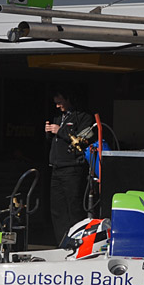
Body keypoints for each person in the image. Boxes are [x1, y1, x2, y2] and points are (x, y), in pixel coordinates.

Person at [45, 90, 94, 243]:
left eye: (60, 102)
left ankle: (78, 241)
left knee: (74, 207)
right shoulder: (58, 117)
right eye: (56, 103)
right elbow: (54, 140)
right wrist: (49, 132)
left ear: (69, 99)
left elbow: (83, 139)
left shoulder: (83, 117)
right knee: (57, 209)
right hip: (56, 167)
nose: (58, 106)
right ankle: (61, 241)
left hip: (72, 168)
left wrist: (60, 131)